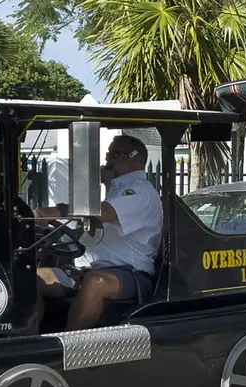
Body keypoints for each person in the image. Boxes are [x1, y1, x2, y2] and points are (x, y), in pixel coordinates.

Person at [34, 134, 161, 331]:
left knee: (96, 282)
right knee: (34, 278)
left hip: (132, 274)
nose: (107, 161)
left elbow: (104, 212)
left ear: (138, 160)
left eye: (116, 155)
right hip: (89, 269)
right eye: (108, 155)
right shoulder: (115, 191)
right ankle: (30, 340)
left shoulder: (141, 192)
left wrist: (54, 211)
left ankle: (69, 351)